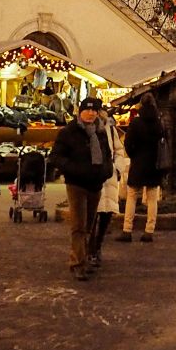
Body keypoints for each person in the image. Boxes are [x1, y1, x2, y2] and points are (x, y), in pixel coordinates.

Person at [50, 96, 112, 280]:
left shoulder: (101, 131)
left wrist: (106, 171)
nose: (91, 113)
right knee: (78, 225)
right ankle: (77, 262)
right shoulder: (68, 132)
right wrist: (74, 169)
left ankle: (83, 258)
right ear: (80, 111)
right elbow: (55, 157)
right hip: (76, 184)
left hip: (95, 184)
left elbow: (107, 154)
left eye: (95, 110)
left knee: (89, 225)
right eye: (88, 109)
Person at [120, 92, 166, 242]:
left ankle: (127, 230)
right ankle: (149, 231)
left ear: (141, 104)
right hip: (154, 164)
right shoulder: (159, 123)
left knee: (132, 196)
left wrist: (134, 155)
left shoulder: (136, 123)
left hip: (138, 163)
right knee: (152, 198)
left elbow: (127, 143)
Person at [91, 106, 128, 263]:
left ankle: (97, 246)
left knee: (106, 215)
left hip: (109, 177)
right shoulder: (87, 129)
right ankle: (90, 249)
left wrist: (117, 167)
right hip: (93, 177)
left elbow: (119, 150)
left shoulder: (110, 129)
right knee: (93, 215)